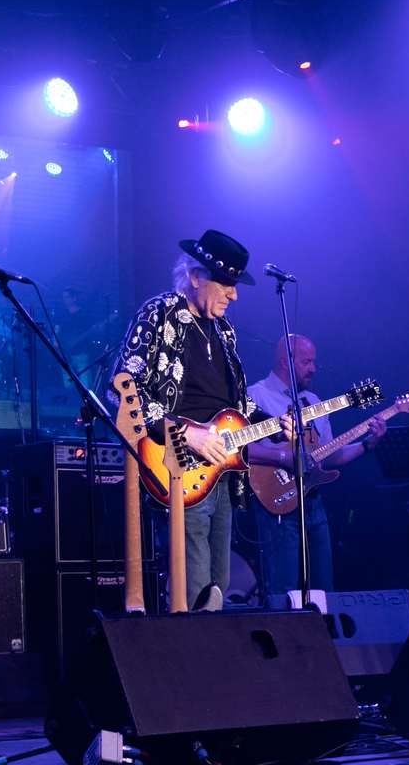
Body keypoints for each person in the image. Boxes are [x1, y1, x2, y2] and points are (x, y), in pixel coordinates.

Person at [109, 229, 289, 610]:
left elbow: (236, 405)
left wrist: (276, 426)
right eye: (225, 284)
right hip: (177, 467)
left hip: (222, 472)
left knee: (218, 585)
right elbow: (123, 390)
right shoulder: (159, 313)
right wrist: (186, 433)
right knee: (194, 584)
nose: (233, 295)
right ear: (195, 276)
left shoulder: (224, 331)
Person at [246, 334, 386, 602]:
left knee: (324, 590)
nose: (313, 369)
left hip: (313, 503)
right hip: (276, 502)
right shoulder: (255, 396)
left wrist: (367, 445)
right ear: (285, 362)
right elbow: (241, 450)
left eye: (314, 362)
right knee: (284, 590)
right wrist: (283, 457)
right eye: (306, 362)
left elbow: (328, 457)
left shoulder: (313, 401)